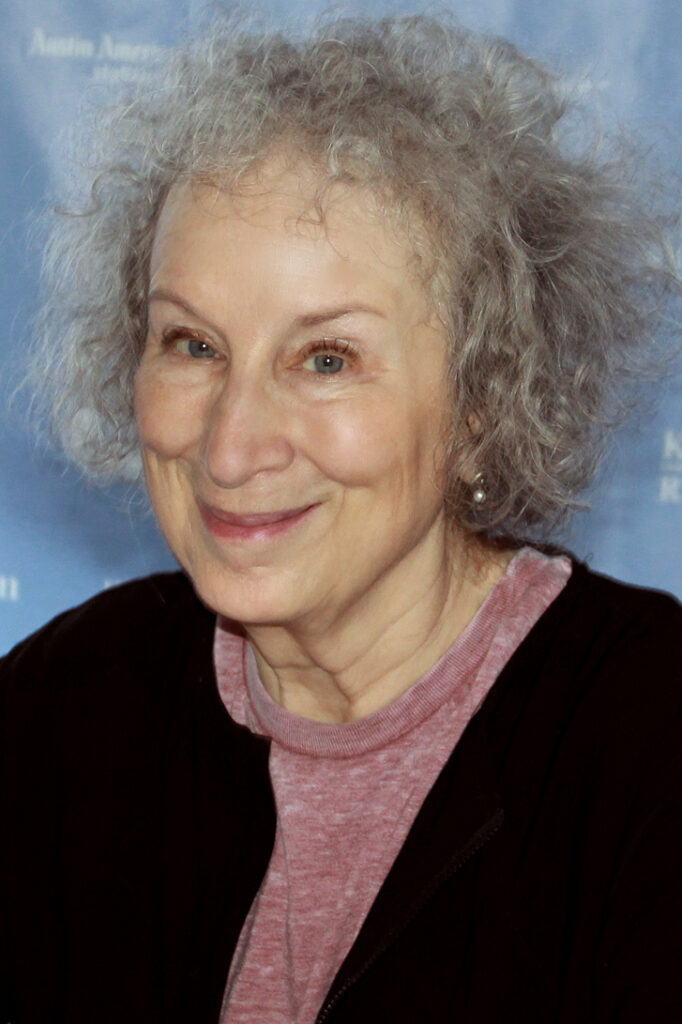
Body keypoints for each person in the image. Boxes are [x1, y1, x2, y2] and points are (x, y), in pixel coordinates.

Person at [2, 12, 681, 1023]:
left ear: (482, 395)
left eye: (327, 359)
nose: (232, 447)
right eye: (192, 344)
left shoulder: (647, 736)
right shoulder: (62, 707)